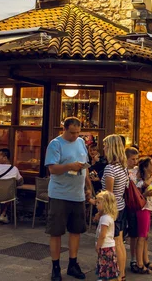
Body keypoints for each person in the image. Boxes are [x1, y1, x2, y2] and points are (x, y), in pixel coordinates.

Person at [45, 117, 90, 281]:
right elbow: (52, 168)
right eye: (72, 133)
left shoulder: (81, 142)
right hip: (60, 194)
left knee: (76, 230)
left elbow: (84, 167)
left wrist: (88, 186)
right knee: (56, 231)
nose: (75, 136)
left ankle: (73, 263)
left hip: (77, 194)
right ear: (64, 129)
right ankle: (55, 266)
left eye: (78, 132)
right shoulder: (55, 144)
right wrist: (69, 166)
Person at [101, 134, 129, 281]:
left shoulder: (110, 168)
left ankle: (117, 276)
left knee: (115, 242)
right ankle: (122, 274)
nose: (103, 148)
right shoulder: (122, 167)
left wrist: (100, 211)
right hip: (121, 206)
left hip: (113, 210)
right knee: (120, 242)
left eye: (105, 146)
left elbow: (108, 195)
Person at [135, 157, 152, 274]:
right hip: (143, 209)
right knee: (142, 236)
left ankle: (146, 260)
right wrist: (145, 192)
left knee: (146, 236)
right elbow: (139, 194)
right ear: (145, 167)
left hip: (148, 209)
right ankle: (139, 263)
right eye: (151, 164)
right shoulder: (140, 181)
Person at [94, 191, 120, 281]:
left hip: (105, 247)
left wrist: (98, 245)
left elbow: (103, 235)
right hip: (108, 246)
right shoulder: (108, 216)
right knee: (107, 266)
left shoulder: (105, 218)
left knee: (106, 266)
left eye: (98, 202)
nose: (96, 204)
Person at [125, 147, 141, 275]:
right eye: (132, 159)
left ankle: (133, 259)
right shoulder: (122, 170)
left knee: (134, 233)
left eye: (136, 159)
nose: (135, 162)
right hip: (124, 203)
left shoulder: (137, 171)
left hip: (133, 204)